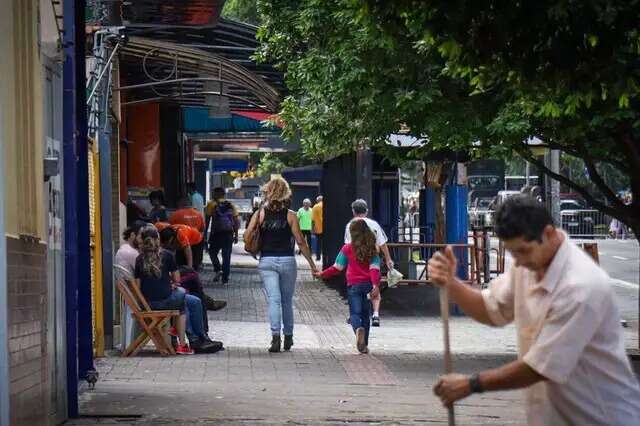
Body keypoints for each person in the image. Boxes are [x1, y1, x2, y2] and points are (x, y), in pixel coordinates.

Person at [428, 196, 640, 424]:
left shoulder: (580, 287)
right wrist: (451, 283)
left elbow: (539, 367)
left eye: (523, 251)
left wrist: (471, 384)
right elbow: (490, 310)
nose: (518, 262)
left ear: (549, 234)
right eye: (512, 253)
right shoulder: (527, 265)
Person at [245, 177, 317, 353]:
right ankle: (289, 337)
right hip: (287, 260)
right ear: (286, 193)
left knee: (273, 300)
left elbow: (247, 235)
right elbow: (300, 241)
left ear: (267, 192)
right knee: (286, 301)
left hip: (267, 261)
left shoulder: (260, 213)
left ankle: (275, 337)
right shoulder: (291, 215)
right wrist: (312, 264)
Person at [315, 220, 381, 354]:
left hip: (353, 285)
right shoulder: (372, 249)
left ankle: (357, 330)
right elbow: (375, 269)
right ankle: (364, 345)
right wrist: (375, 285)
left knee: (355, 314)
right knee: (365, 314)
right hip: (368, 285)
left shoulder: (347, 248)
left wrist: (322, 274)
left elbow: (337, 267)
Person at [133, 227, 193, 355]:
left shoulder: (139, 259)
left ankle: (175, 333)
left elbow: (137, 287)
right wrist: (170, 284)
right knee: (182, 295)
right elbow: (177, 280)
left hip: (147, 304)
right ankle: (181, 343)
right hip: (164, 301)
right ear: (157, 240)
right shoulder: (167, 255)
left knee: (181, 300)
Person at [345, 199, 394, 327]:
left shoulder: (350, 225)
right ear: (366, 211)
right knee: (374, 286)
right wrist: (388, 259)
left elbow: (348, 245)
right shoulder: (374, 224)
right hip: (373, 259)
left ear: (353, 211)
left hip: (356, 262)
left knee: (356, 287)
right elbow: (383, 244)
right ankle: (376, 314)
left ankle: (354, 314)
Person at [205, 187, 240, 285]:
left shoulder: (211, 204)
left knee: (212, 253)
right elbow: (236, 221)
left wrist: (205, 235)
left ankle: (217, 269)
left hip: (216, 233)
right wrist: (236, 235)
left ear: (216, 194)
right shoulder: (231, 205)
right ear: (224, 194)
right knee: (226, 256)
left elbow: (207, 221)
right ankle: (225, 279)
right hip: (228, 234)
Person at [170, 196, 206, 269]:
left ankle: (183, 278)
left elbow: (171, 229)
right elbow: (202, 229)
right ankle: (193, 277)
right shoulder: (198, 214)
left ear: (181, 203)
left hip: (181, 244)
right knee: (194, 265)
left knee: (181, 265)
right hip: (196, 243)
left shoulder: (175, 214)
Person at [311, 195, 323, 261]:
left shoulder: (315, 207)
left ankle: (318, 257)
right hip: (327, 229)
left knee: (318, 243)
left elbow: (313, 219)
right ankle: (326, 256)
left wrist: (312, 229)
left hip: (318, 228)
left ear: (317, 200)